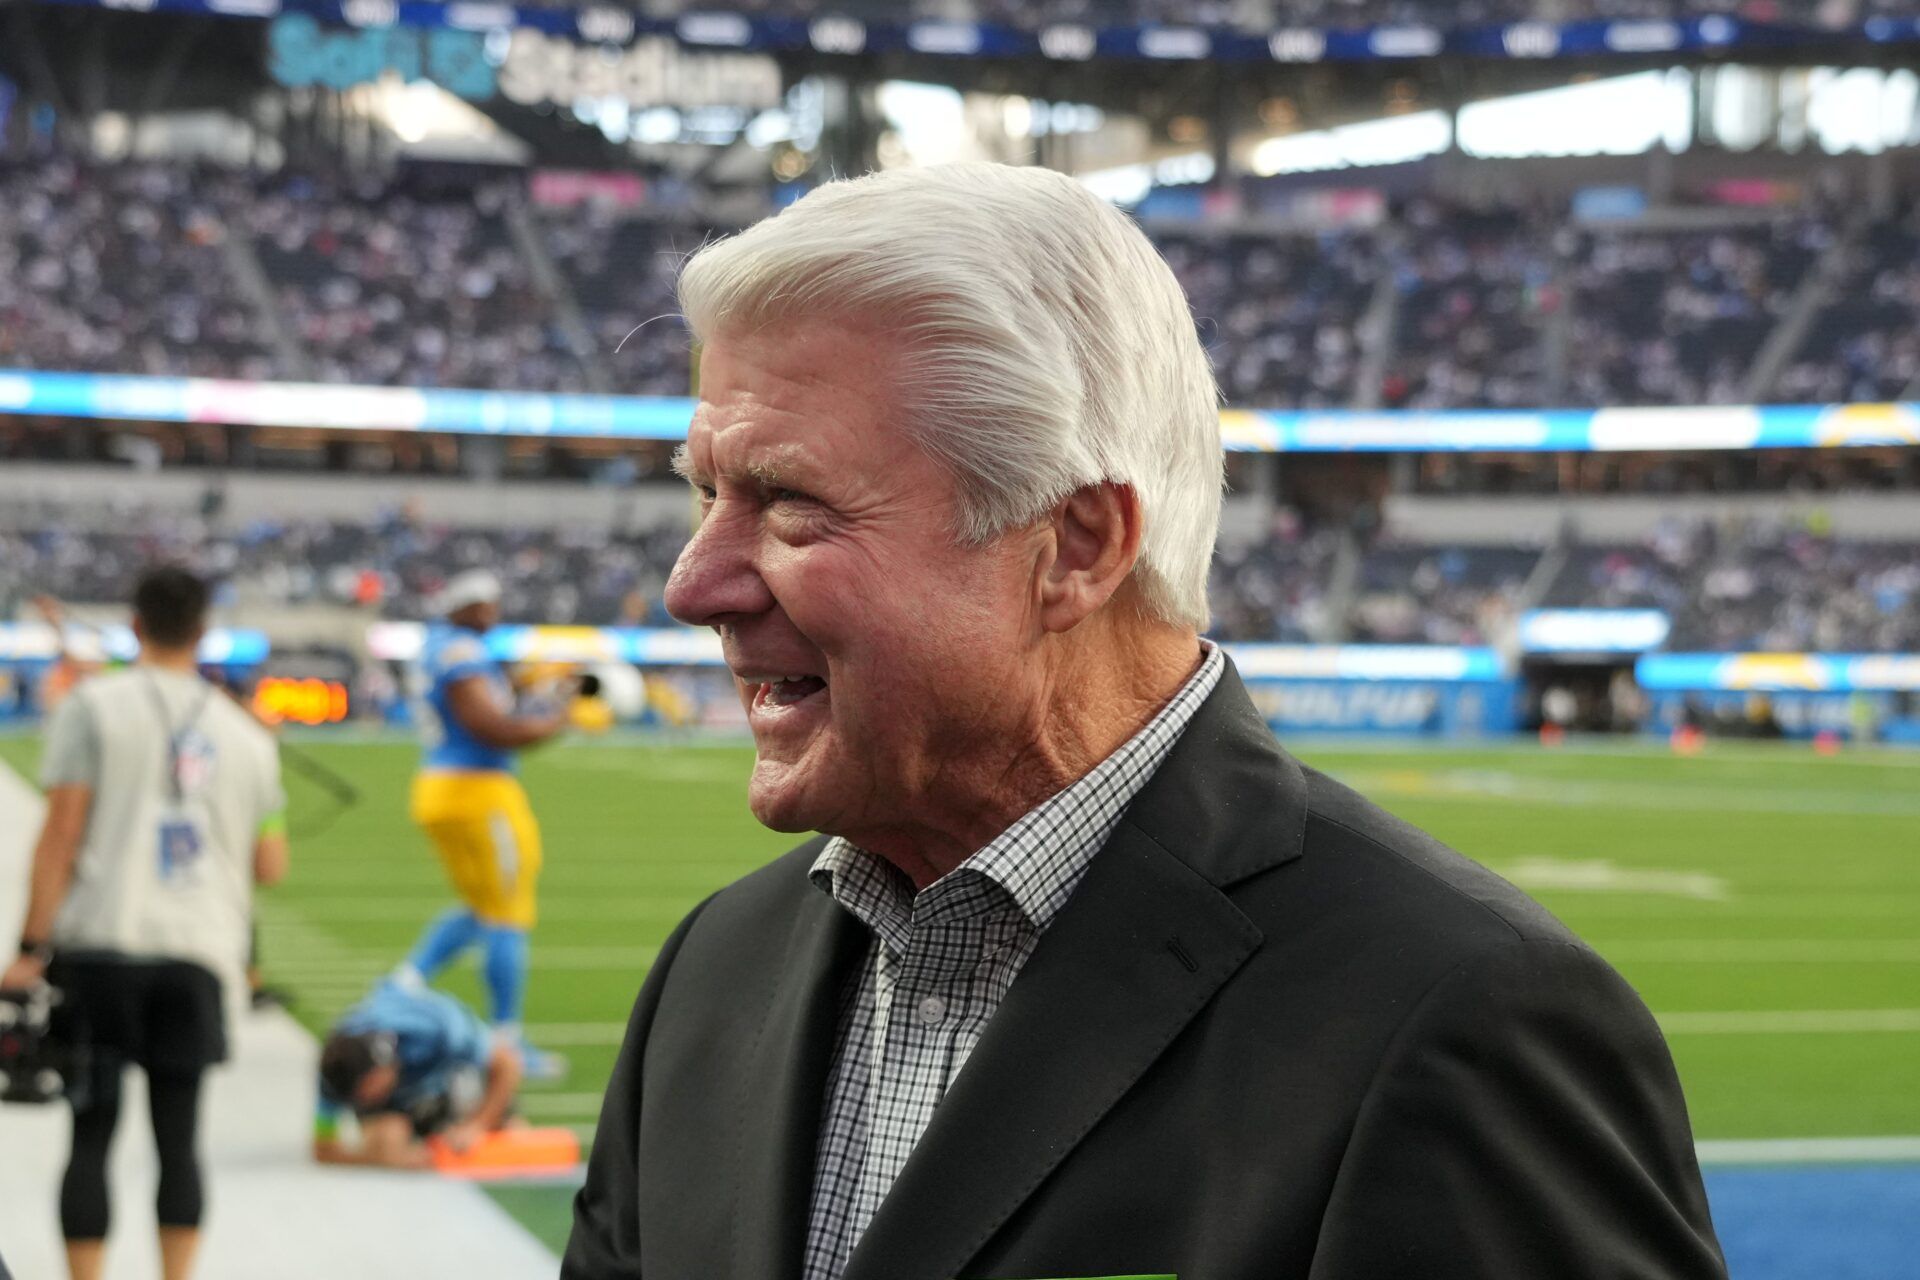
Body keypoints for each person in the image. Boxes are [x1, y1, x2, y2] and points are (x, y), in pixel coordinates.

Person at [563, 164, 1727, 1280]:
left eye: (791, 503)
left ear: (1074, 547)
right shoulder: (714, 973)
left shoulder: (1460, 1016)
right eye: (707, 493)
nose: (693, 581)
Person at [3, 566, 287, 1280]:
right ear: (202, 630)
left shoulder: (94, 705)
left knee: (92, 1135)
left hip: (101, 946)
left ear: (135, 624)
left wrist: (30, 947)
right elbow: (271, 862)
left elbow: (61, 834)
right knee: (180, 1140)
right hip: (197, 952)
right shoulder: (247, 733)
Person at [393, 570, 568, 1078]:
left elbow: (480, 696)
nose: (493, 611)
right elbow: (492, 727)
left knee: (480, 906)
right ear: (465, 606)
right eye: (485, 603)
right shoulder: (461, 652)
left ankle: (405, 983)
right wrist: (558, 719)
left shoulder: (439, 646)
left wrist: (525, 682)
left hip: (440, 785)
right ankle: (505, 1044)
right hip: (478, 790)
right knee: (508, 913)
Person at [312, 978, 522, 1169]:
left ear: (381, 1068)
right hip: (408, 1100)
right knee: (389, 1136)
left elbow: (507, 1065)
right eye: (360, 1097)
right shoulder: (335, 1069)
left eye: (369, 1090)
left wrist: (476, 1126)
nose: (366, 1099)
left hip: (448, 1081)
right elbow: (322, 1148)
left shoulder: (439, 1031)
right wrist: (378, 1159)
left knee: (507, 1129)